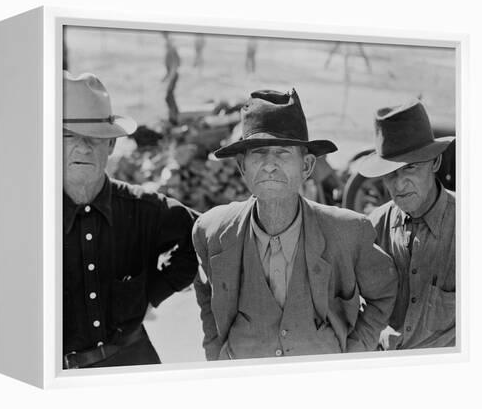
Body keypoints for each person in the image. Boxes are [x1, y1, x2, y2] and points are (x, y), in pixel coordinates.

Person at [192, 89, 397, 361]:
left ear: (307, 166)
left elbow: (384, 293)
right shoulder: (212, 231)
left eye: (283, 153)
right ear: (242, 166)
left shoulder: (347, 232)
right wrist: (216, 352)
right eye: (258, 153)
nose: (269, 165)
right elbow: (207, 293)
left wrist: (353, 354)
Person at [62, 71, 198, 369]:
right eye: (69, 136)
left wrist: (153, 292)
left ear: (111, 146)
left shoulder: (143, 208)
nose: (83, 147)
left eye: (95, 138)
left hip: (134, 366)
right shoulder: (30, 217)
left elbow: (203, 234)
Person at [358, 101, 456, 350]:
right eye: (390, 173)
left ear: (434, 163)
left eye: (410, 167)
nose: (400, 185)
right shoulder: (374, 227)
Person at [161, 32, 181, 125]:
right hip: (172, 75)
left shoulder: (172, 49)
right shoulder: (171, 49)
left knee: (169, 97)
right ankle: (174, 115)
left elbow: (174, 66)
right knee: (169, 96)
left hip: (173, 75)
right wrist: (165, 77)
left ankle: (174, 117)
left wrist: (170, 77)